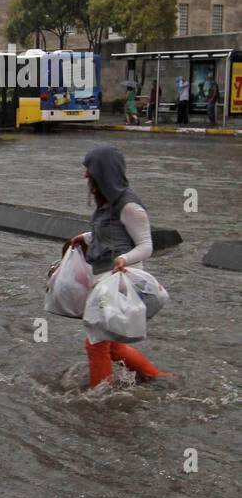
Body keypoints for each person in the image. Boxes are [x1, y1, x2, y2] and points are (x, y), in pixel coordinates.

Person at [62, 145, 170, 390]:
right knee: (111, 344)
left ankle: (99, 399)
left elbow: (145, 245)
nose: (85, 176)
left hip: (122, 282)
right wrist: (86, 238)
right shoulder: (106, 203)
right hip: (105, 280)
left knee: (96, 343)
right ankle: (156, 377)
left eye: (89, 170)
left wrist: (125, 259)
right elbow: (110, 235)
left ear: (103, 172)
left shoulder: (130, 207)